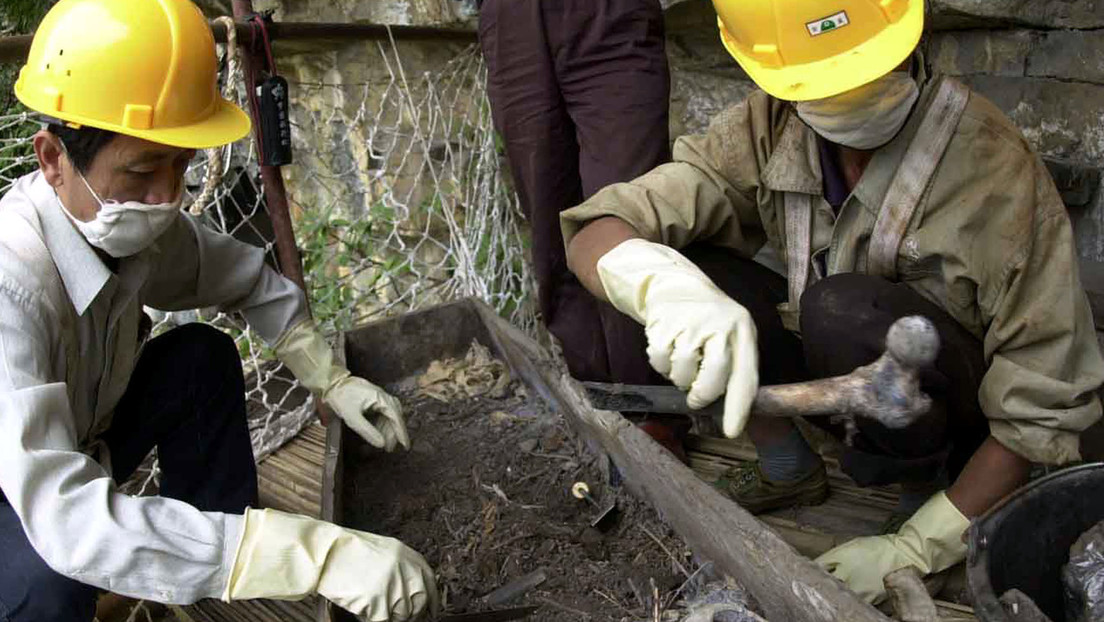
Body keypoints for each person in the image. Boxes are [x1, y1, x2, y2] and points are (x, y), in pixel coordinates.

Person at [560, 0, 1104, 604]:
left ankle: (923, 491)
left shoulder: (995, 168)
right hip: (841, 383)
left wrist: (920, 547)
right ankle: (786, 464)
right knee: (694, 267)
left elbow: (1042, 402)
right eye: (825, 82)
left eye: (866, 71)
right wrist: (657, 286)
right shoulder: (766, 127)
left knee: (840, 309)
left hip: (946, 407)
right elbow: (603, 228)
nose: (849, 95)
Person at [0, 1, 436, 620]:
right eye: (144, 169)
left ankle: (201, 577)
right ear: (52, 158)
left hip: (79, 439)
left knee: (199, 357)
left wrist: (330, 379)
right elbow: (63, 519)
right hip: (20, 488)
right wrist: (317, 555)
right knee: (47, 583)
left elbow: (247, 281)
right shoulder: (10, 285)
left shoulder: (133, 227)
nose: (167, 197)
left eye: (180, 165)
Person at [477, 0, 671, 395]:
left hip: (610, 15)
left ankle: (653, 404)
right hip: (512, 20)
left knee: (630, 206)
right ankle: (596, 392)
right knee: (550, 214)